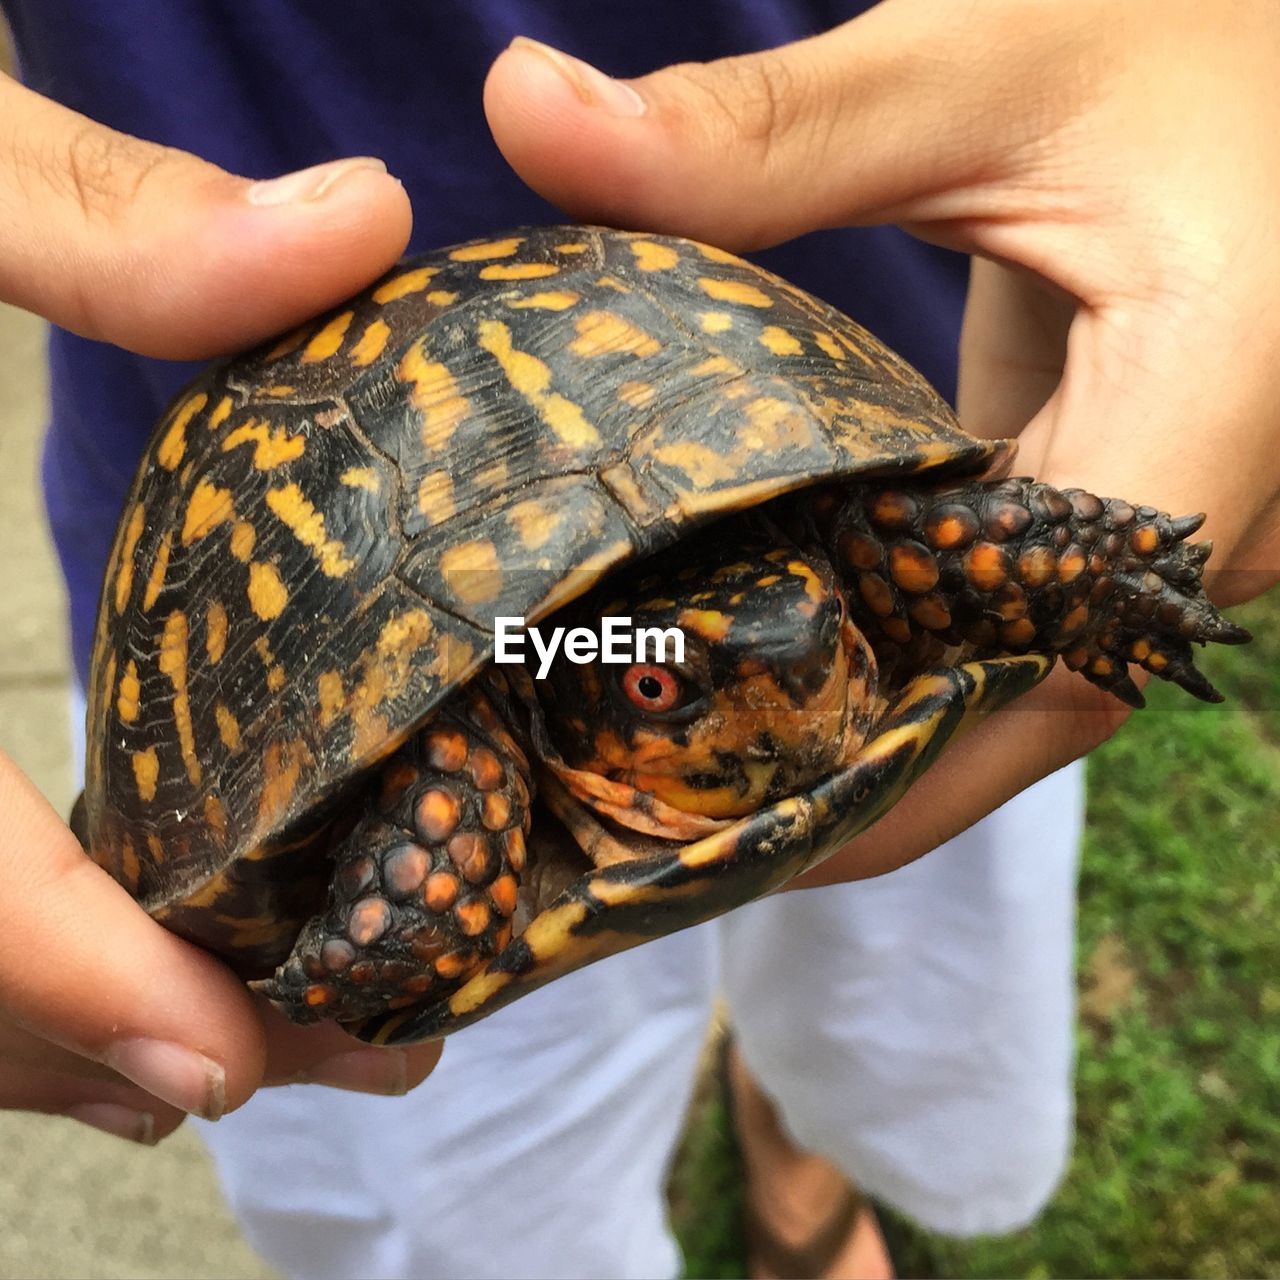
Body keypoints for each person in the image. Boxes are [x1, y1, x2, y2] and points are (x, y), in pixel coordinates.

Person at [0, 1, 1276, 1277]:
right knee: (487, 1192)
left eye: (820, 633)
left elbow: (933, 553)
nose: (781, 683)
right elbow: (495, 691)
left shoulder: (840, 586)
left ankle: (799, 1129)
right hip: (273, 516)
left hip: (838, 322)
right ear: (574, 700)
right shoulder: (510, 701)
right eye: (666, 683)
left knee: (896, 995)